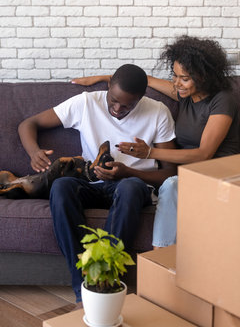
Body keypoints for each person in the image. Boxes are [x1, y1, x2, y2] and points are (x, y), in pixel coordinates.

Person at [18, 63, 176, 307]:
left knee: (130, 187)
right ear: (108, 86)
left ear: (140, 99)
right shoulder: (86, 103)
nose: (117, 109)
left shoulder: (158, 112)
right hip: (92, 184)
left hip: (134, 187)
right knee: (61, 187)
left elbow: (170, 173)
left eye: (127, 106)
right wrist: (34, 152)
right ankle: (82, 283)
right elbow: (28, 124)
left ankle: (107, 279)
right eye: (113, 101)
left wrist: (128, 172)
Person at [73, 35, 240, 250]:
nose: (176, 82)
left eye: (184, 78)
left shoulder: (222, 101)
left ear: (203, 77)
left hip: (219, 175)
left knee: (169, 185)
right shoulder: (186, 94)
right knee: (172, 184)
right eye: (175, 75)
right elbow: (147, 80)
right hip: (191, 177)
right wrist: (106, 78)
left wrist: (150, 153)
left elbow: (203, 154)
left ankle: (161, 254)